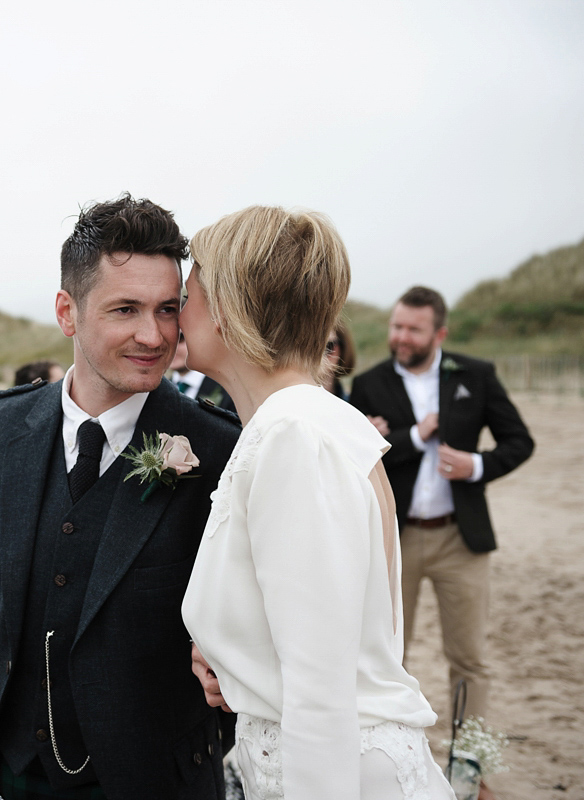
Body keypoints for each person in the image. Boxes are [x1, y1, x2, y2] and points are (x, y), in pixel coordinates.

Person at [0, 194, 240, 800]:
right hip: (6, 772)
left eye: (169, 309)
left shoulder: (221, 449)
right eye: (125, 309)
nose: (154, 335)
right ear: (68, 312)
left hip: (153, 778)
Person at [179, 206, 454, 799]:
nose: (178, 305)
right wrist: (236, 660)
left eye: (190, 287)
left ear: (227, 307)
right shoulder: (314, 420)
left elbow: (320, 691)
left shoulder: (295, 437)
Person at [348, 287, 533, 800]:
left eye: (412, 329)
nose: (399, 337)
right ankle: (394, 773)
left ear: (440, 335)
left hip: (461, 537)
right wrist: (399, 435)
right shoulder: (368, 384)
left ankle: (471, 775)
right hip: (395, 539)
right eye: (396, 326)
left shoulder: (475, 375)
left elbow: (520, 441)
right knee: (387, 655)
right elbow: (359, 460)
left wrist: (476, 465)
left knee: (470, 659)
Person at [168, 332, 236, 412]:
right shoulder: (160, 388)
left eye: (180, 339)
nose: (172, 348)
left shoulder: (226, 389)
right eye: (167, 342)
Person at [324, 318, 356, 400]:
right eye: (311, 348)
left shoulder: (356, 404)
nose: (318, 356)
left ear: (343, 348)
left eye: (328, 346)